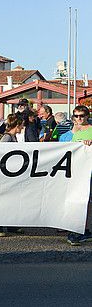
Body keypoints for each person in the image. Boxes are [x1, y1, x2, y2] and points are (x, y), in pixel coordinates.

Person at [0, 114, 25, 237]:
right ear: (17, 125)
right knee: (2, 200)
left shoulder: (12, 137)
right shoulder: (7, 138)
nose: (22, 127)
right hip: (5, 174)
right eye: (21, 125)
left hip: (11, 173)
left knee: (11, 200)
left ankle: (11, 225)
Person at [66, 105, 92, 245]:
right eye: (76, 116)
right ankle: (76, 230)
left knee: (86, 201)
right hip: (73, 171)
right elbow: (61, 146)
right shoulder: (69, 132)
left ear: (87, 116)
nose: (79, 118)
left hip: (88, 171)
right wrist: (73, 132)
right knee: (75, 200)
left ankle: (83, 230)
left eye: (82, 115)